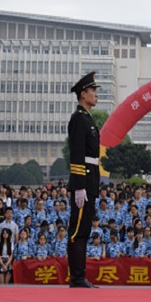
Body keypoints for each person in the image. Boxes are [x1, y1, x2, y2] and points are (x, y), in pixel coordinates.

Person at [67, 71, 101, 288]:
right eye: (93, 90)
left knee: (85, 230)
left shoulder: (87, 118)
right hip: (84, 181)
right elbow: (77, 154)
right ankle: (77, 277)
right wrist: (79, 186)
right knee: (78, 232)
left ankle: (80, 276)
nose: (96, 94)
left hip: (90, 180)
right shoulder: (79, 119)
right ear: (83, 94)